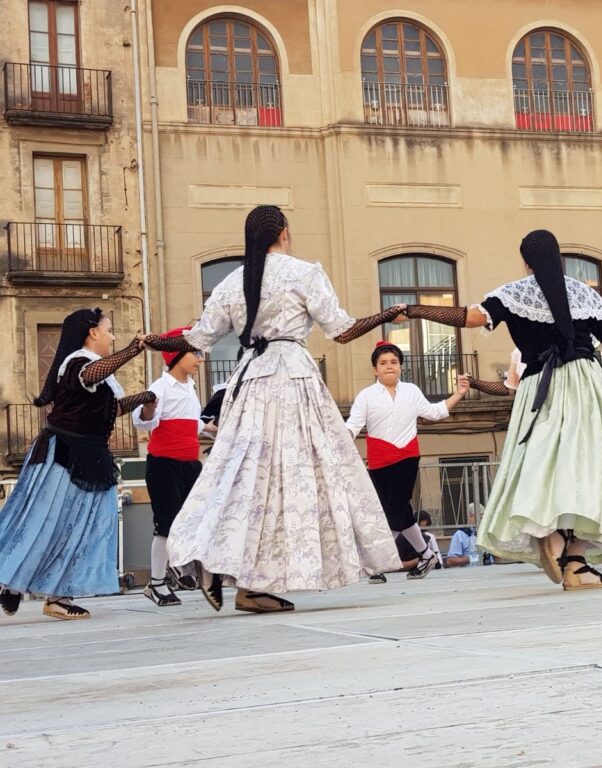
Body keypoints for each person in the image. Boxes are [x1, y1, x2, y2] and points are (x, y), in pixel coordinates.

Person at [147, 205, 405, 613]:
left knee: (244, 477)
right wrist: (387, 315)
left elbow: (197, 338)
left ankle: (238, 575)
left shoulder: (232, 282)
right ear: (283, 232)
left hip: (249, 381)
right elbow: (340, 330)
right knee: (293, 479)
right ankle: (242, 575)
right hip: (291, 380)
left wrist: (153, 341)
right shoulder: (302, 273)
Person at [401, 229, 602, 590]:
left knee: (540, 461)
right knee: (599, 463)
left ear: (526, 262)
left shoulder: (513, 293)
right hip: (585, 384)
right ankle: (576, 558)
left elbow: (472, 317)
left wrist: (415, 309)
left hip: (539, 386)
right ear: (559, 257)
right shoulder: (583, 293)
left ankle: (548, 534)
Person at [0, 309, 156, 620]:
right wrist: (135, 348)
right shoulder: (76, 364)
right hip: (64, 453)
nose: (112, 336)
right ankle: (10, 580)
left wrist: (144, 397)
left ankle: (58, 596)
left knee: (82, 527)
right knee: (42, 521)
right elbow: (90, 376)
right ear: (92, 333)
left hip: (91, 455)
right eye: (108, 330)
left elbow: (109, 410)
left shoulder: (102, 374)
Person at [347, 340, 470, 581]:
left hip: (406, 456)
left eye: (393, 362)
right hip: (378, 459)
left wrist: (459, 393)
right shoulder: (366, 396)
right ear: (375, 370)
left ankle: (376, 562)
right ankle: (426, 554)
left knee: (395, 507)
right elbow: (353, 426)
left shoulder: (411, 391)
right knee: (395, 510)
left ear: (401, 366)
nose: (389, 366)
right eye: (383, 363)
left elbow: (434, 412)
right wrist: (335, 444)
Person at [132, 327, 220, 607]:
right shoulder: (160, 387)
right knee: (166, 525)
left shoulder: (190, 389)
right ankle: (156, 583)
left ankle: (183, 567)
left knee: (193, 520)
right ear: (176, 355)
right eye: (194, 353)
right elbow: (144, 420)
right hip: (164, 465)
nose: (200, 359)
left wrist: (208, 428)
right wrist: (147, 409)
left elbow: (188, 419)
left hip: (189, 464)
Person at [446, 503, 482, 567]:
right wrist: (470, 559)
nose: (481, 520)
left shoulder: (485, 534)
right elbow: (450, 561)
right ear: (469, 517)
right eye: (480, 516)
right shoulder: (460, 535)